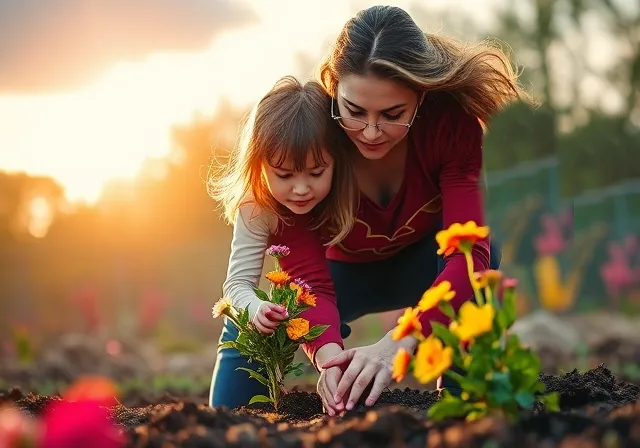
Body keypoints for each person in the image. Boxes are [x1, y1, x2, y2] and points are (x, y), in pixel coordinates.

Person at [209, 5, 531, 414]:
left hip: (424, 266)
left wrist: (398, 341)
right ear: (333, 87)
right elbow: (309, 278)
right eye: (355, 112)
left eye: (393, 114)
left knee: (485, 249)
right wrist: (329, 361)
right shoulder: (309, 141)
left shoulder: (452, 127)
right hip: (339, 275)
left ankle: (464, 401)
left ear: (420, 97)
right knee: (260, 328)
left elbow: (468, 257)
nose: (372, 131)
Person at [207, 75, 356, 408]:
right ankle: (228, 412)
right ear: (259, 166)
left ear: (337, 160)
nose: (301, 189)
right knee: (248, 324)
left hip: (352, 285)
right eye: (284, 175)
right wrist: (257, 309)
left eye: (316, 173)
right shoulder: (257, 206)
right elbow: (236, 286)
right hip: (306, 292)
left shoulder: (353, 187)